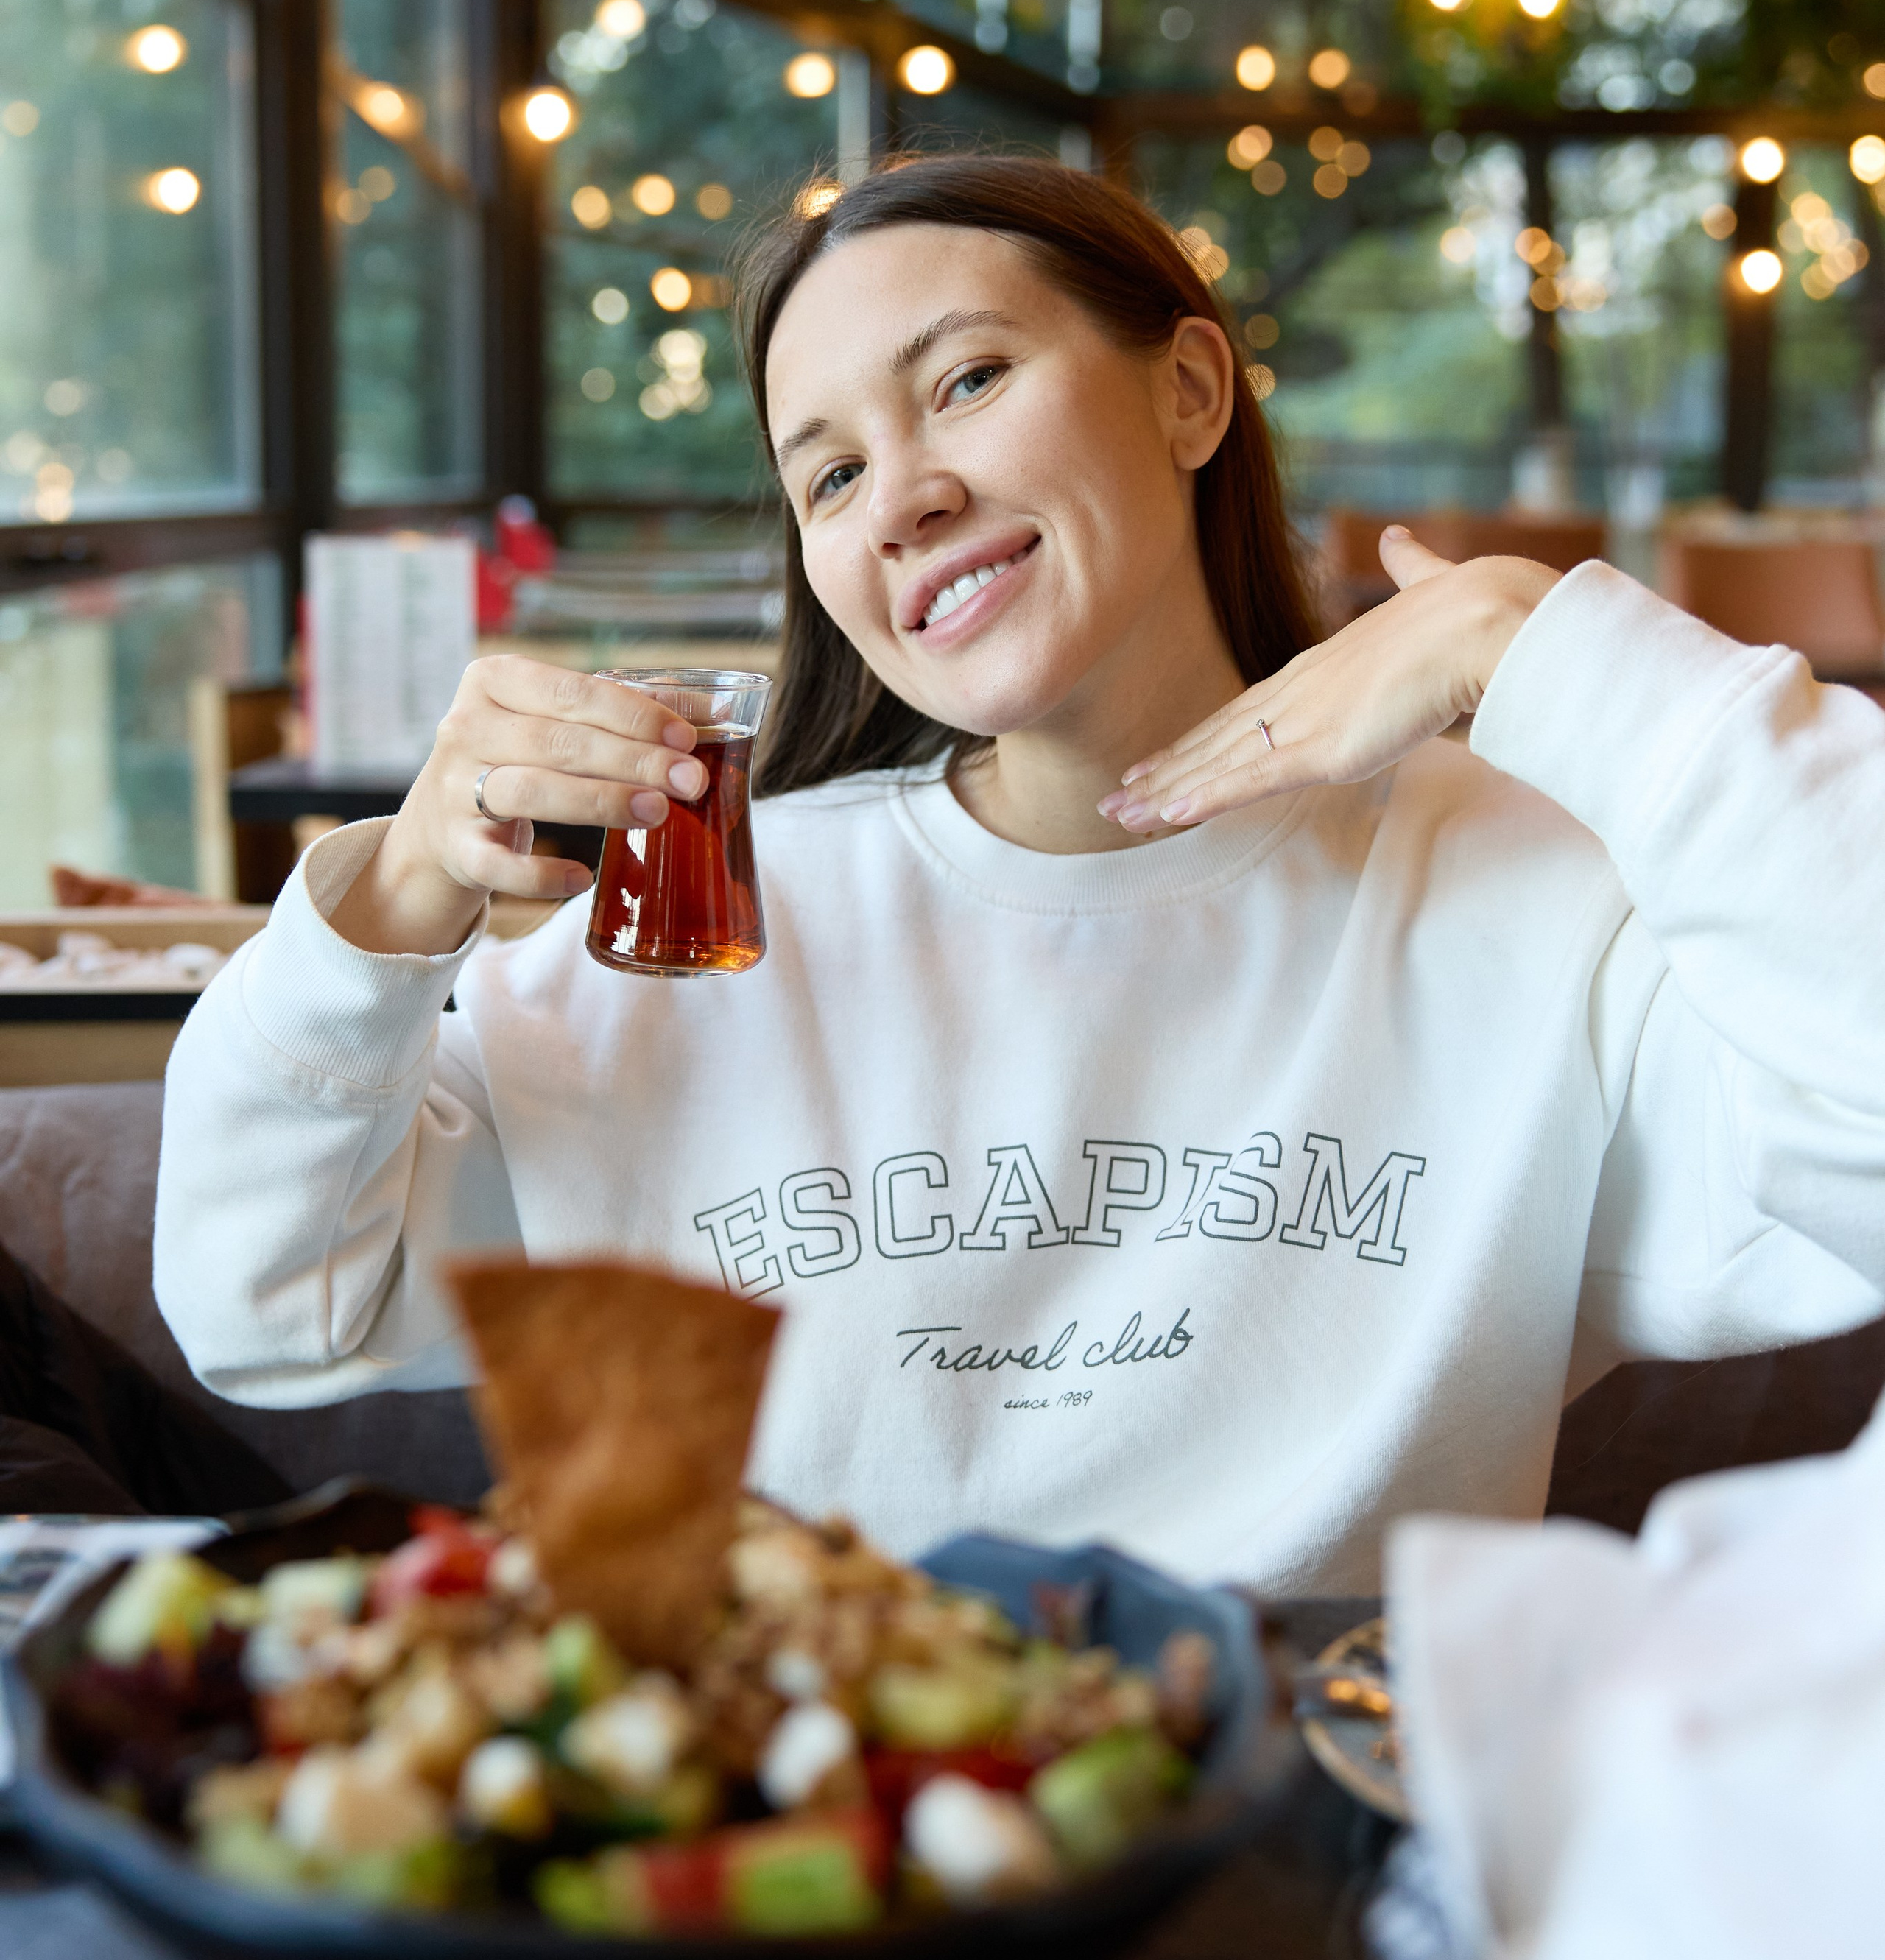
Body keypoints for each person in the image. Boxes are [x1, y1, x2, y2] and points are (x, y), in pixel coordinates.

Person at [153, 158, 1885, 1591]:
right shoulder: (694, 930)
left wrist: (1546, 653)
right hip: (818, 1837)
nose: (897, 495)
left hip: (1311, 1856)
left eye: (966, 379)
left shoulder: (1525, 894)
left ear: (1189, 390)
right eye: (825, 471)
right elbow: (269, 1307)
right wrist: (384, 904)